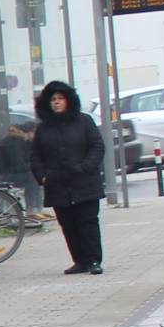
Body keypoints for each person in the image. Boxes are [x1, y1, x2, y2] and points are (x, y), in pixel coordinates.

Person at [30, 80, 106, 275]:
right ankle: (79, 260)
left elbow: (97, 147)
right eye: (53, 99)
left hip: (84, 181)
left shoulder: (84, 121)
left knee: (88, 222)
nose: (56, 102)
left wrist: (85, 167)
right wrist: (43, 177)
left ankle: (94, 259)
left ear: (69, 100)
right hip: (57, 185)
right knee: (68, 224)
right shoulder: (44, 128)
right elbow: (35, 156)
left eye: (60, 99)